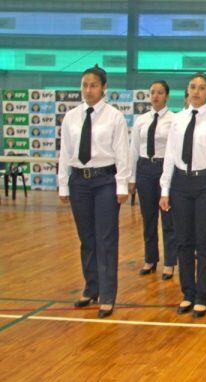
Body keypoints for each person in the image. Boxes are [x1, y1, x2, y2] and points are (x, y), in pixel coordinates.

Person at [58, 65, 130, 318]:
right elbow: (65, 152)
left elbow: (122, 153)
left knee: (106, 239)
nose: (88, 90)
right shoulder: (72, 116)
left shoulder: (114, 117)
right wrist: (63, 184)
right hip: (79, 182)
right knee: (87, 239)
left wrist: (122, 185)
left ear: (103, 88)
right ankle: (91, 288)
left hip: (105, 182)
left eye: (93, 85)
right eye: (84, 85)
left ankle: (108, 295)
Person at [159, 72, 206, 318]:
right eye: (192, 87)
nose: (196, 91)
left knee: (204, 242)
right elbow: (169, 155)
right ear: (187, 90)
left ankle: (202, 296)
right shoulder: (177, 119)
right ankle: (187, 293)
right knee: (183, 241)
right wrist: (165, 189)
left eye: (202, 88)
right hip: (180, 184)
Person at [129, 80, 177, 280]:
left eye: (160, 92)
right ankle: (150, 259)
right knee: (148, 218)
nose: (156, 96)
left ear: (166, 95)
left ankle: (169, 262)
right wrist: (131, 177)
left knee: (168, 219)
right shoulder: (141, 120)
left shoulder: (174, 119)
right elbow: (133, 149)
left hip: (164, 168)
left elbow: (175, 150)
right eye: (152, 92)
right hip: (144, 169)